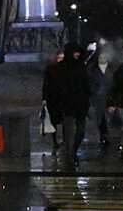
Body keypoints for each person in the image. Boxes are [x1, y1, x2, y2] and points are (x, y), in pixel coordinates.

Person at [53, 44, 92, 172]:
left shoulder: (82, 67)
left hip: (81, 105)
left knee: (80, 132)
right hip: (67, 106)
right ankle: (70, 158)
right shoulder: (61, 68)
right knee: (69, 134)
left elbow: (87, 85)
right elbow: (56, 87)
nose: (77, 55)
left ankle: (72, 152)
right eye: (75, 52)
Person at [87, 45, 114, 149]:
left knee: (109, 116)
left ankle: (106, 133)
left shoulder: (112, 70)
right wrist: (94, 91)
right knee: (100, 116)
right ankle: (104, 134)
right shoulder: (92, 70)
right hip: (98, 97)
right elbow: (89, 83)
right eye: (100, 57)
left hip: (109, 96)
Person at [40, 49, 67, 151]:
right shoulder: (51, 69)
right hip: (53, 99)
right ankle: (55, 140)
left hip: (64, 98)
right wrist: (44, 98)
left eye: (63, 58)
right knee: (53, 121)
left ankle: (65, 140)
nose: (61, 60)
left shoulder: (67, 69)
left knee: (65, 120)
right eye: (59, 58)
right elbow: (46, 84)